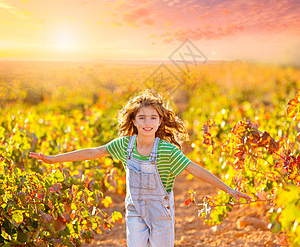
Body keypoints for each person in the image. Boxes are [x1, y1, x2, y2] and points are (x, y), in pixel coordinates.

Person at [30, 89, 251, 247]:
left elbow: (194, 169)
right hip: (134, 209)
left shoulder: (166, 151)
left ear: (160, 121)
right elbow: (92, 153)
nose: (147, 122)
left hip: (160, 213)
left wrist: (228, 189)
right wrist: (53, 159)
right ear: (134, 121)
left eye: (153, 117)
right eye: (142, 117)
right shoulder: (124, 145)